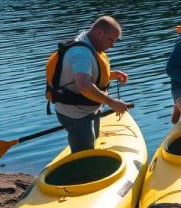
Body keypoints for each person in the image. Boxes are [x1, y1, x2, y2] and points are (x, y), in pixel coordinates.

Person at [51, 15, 130, 152]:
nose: (112, 45)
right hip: (76, 114)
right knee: (85, 153)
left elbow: (85, 76)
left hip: (88, 108)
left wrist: (112, 75)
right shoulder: (81, 54)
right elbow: (84, 86)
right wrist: (112, 102)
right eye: (111, 40)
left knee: (93, 141)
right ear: (100, 33)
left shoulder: (87, 41)